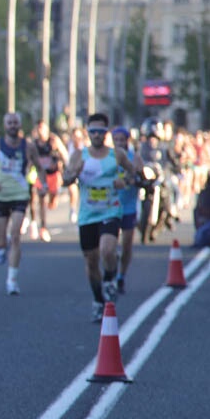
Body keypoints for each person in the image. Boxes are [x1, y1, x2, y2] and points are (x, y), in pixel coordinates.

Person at [63, 112, 136, 322]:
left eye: (100, 131)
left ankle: (111, 278)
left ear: (107, 132)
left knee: (107, 249)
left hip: (110, 210)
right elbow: (65, 180)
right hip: (87, 215)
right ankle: (97, 300)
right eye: (92, 131)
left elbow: (133, 174)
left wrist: (125, 181)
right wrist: (73, 173)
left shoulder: (117, 155)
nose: (96, 135)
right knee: (91, 261)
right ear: (87, 132)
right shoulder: (79, 155)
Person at [0, 112, 41, 296]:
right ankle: (0, 247)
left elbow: (39, 167)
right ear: (4, 125)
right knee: (0, 240)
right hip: (1, 195)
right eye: (9, 123)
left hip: (20, 194)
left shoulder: (28, 146)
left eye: (16, 123)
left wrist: (44, 185)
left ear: (20, 125)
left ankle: (12, 280)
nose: (13, 126)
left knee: (15, 235)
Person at [111, 126, 144, 293]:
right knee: (109, 245)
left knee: (126, 244)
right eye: (115, 140)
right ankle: (112, 271)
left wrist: (135, 179)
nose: (118, 143)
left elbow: (140, 176)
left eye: (121, 140)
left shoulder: (134, 157)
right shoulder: (108, 157)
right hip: (111, 206)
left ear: (127, 141)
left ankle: (121, 276)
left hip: (129, 205)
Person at [29, 119, 68, 242]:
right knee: (40, 199)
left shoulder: (53, 141)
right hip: (41, 175)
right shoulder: (34, 144)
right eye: (38, 128)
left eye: (43, 129)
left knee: (52, 203)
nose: (40, 131)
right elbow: (29, 159)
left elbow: (64, 155)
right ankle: (43, 228)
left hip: (54, 175)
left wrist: (67, 169)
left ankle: (52, 200)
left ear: (47, 130)